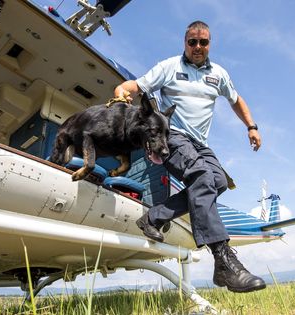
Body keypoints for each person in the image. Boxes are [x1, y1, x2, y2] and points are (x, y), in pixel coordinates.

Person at [113, 21, 266, 293]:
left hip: (201, 145)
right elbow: (136, 85)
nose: (197, 47)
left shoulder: (218, 74)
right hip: (171, 136)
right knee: (202, 177)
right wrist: (122, 93)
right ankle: (224, 261)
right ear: (185, 42)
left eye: (203, 42)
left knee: (217, 181)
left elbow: (236, 99)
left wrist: (251, 126)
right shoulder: (170, 67)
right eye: (192, 42)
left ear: (209, 44)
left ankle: (153, 217)